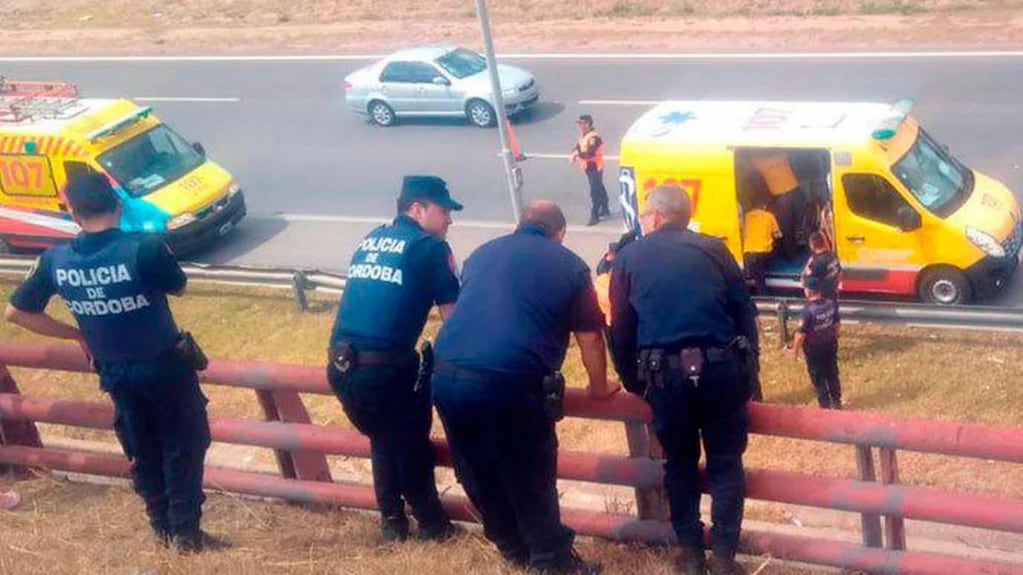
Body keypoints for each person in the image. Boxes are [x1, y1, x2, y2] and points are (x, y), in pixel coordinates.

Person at [5, 172, 215, 552]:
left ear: (73, 214)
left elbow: (17, 313)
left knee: (142, 448)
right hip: (164, 365)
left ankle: (162, 527)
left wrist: (76, 333)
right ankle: (186, 534)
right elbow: (179, 287)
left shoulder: (55, 259)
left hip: (113, 372)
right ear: (117, 205)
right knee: (183, 444)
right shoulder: (144, 249)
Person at [432, 200, 618, 574]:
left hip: (447, 375)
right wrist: (600, 388)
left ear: (520, 225)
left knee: (476, 468)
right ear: (560, 234)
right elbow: (590, 338)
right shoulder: (569, 266)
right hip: (510, 380)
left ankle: (513, 547)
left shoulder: (482, 254)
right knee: (530, 473)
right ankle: (552, 562)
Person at [608, 184, 760, 575]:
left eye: (644, 215)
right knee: (726, 463)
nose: (642, 222)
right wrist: (749, 371)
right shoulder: (714, 248)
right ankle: (725, 557)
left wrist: (634, 383)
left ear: (656, 216)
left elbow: (621, 330)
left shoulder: (628, 258)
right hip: (721, 369)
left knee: (679, 464)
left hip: (665, 377)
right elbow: (744, 311)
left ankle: (690, 555)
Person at [326, 175, 462, 542]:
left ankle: (392, 522)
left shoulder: (371, 238)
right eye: (444, 210)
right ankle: (432, 525)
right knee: (410, 443)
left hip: (341, 364)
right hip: (385, 368)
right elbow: (455, 318)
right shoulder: (429, 248)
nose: (450, 219)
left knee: (385, 440)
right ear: (417, 208)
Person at [791, 276, 842, 409]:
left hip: (814, 350)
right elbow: (837, 323)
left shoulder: (807, 311)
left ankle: (824, 406)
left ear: (808, 291)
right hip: (830, 344)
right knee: (832, 374)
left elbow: (800, 335)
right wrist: (836, 336)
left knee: (818, 378)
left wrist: (794, 353)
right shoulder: (831, 303)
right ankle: (837, 401)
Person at [749, 150, 805, 259]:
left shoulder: (758, 162)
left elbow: (750, 160)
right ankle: (804, 249)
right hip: (795, 191)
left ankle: (789, 253)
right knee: (802, 222)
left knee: (786, 227)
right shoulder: (781, 155)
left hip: (782, 197)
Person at [570, 114, 611, 226]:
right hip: (588, 167)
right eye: (579, 124)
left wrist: (577, 154)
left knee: (594, 191)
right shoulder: (584, 136)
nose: (581, 126)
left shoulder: (594, 138)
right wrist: (575, 151)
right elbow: (578, 146)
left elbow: (590, 154)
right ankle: (605, 207)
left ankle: (595, 215)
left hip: (595, 166)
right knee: (599, 187)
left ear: (589, 124)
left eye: (583, 123)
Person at [742, 204, 781, 295]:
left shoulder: (746, 216)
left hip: (747, 252)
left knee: (752, 271)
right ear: (764, 206)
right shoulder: (769, 216)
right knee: (759, 273)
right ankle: (764, 294)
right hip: (762, 252)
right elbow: (777, 235)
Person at [801, 231, 841, 304]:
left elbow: (808, 283)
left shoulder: (816, 263)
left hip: (823, 300)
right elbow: (838, 273)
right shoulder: (833, 256)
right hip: (833, 295)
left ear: (812, 245)